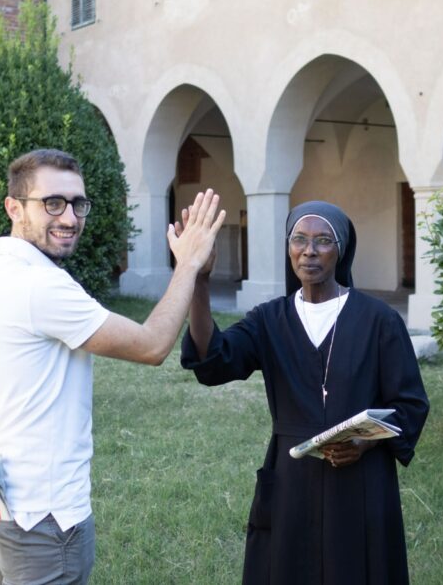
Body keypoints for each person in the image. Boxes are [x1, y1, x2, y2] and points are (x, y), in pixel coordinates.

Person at [0, 148, 225, 585]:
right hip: (48, 520)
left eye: (78, 204)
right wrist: (189, 262)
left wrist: (17, 444)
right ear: (14, 208)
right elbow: (152, 346)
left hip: (6, 504)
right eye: (52, 203)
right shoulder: (42, 286)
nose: (71, 217)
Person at [180, 200, 429, 584]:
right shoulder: (269, 320)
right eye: (299, 239)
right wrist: (199, 279)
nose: (309, 250)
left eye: (323, 240)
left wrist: (364, 442)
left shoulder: (379, 321)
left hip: (360, 482)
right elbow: (213, 361)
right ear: (288, 246)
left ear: (341, 249)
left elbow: (410, 405)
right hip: (291, 480)